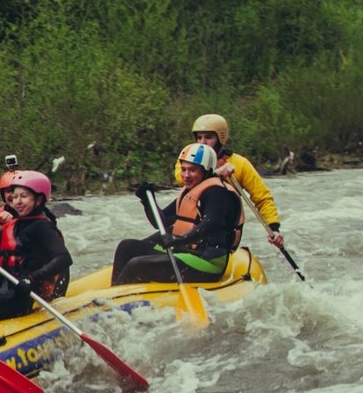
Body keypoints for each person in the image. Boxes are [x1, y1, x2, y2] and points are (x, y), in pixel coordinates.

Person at [116, 144, 244, 285]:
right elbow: (161, 221)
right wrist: (147, 200)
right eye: (183, 170)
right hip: (184, 253)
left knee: (137, 265)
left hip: (207, 263)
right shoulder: (190, 191)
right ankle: (113, 290)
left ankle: (115, 301)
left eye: (192, 170)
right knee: (126, 247)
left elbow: (210, 225)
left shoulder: (218, 193)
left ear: (207, 170)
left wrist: (179, 239)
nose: (186, 175)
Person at [0, 169, 73, 321]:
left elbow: (64, 258)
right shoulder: (18, 224)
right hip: (3, 288)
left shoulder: (42, 226)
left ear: (38, 199)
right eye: (15, 196)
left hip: (17, 299)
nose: (17, 201)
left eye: (24, 196)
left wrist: (31, 278)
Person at [178, 114, 286, 251]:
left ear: (220, 138)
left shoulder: (240, 164)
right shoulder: (188, 159)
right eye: (199, 137)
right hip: (192, 225)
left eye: (208, 137)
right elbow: (181, 179)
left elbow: (262, 198)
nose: (202, 143)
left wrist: (274, 228)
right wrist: (216, 173)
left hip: (221, 232)